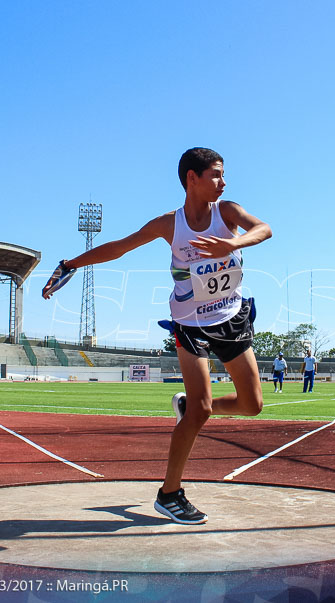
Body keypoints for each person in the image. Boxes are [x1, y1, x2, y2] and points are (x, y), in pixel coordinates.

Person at [43, 147, 271, 524]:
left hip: (231, 318)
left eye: (223, 174)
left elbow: (264, 228)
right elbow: (120, 247)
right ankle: (170, 493)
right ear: (191, 179)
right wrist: (69, 264)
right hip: (190, 325)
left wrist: (233, 242)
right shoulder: (170, 224)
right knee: (201, 409)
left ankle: (187, 408)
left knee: (253, 405)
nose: (223, 182)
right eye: (215, 174)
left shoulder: (227, 212)